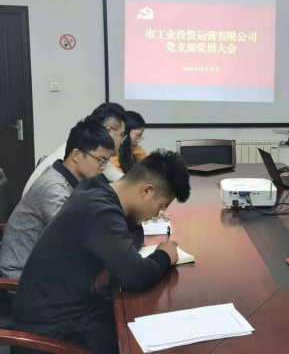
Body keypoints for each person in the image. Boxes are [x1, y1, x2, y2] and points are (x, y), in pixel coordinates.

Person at [13, 150, 191, 353]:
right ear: (147, 191)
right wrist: (165, 255)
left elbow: (133, 231)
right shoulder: (101, 209)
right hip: (52, 335)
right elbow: (136, 275)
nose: (158, 214)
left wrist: (114, 261)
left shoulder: (96, 188)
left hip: (72, 312)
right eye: (161, 206)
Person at [0, 120, 115, 279]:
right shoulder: (53, 187)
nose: (103, 167)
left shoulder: (71, 179)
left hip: (45, 265)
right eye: (101, 160)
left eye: (106, 161)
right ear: (76, 155)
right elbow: (77, 237)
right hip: (22, 274)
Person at [22, 102, 127, 196]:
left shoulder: (88, 150)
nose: (122, 141)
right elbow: (126, 185)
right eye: (121, 135)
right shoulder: (83, 153)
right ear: (108, 131)